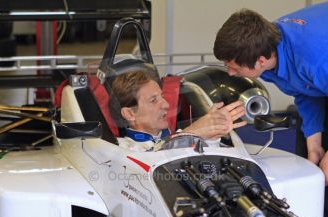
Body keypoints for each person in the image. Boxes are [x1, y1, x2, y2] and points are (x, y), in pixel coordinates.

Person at [213, 3, 328, 185]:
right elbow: (305, 89)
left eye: (234, 67)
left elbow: (310, 72)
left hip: (321, 59)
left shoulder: (314, 60)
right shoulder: (263, 47)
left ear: (261, 61)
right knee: (312, 161)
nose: (230, 73)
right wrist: (314, 143)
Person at [108, 70, 247, 151]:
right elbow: (151, 161)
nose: (167, 105)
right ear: (130, 114)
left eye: (162, 96)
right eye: (153, 100)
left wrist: (213, 135)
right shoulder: (120, 147)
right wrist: (192, 132)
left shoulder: (177, 139)